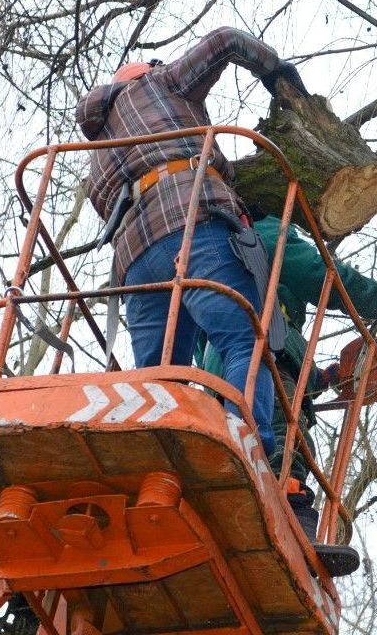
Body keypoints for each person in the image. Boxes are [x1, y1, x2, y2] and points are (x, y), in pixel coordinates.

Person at [76, 27, 310, 458]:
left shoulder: (100, 147)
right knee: (243, 340)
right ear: (145, 73)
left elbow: (101, 203)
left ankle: (161, 459)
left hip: (136, 264)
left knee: (161, 376)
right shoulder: (159, 83)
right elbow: (225, 41)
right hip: (193, 227)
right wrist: (274, 69)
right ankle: (246, 444)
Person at [195, 212, 377, 537]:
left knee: (241, 437)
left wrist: (318, 378)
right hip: (265, 351)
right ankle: (292, 511)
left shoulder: (203, 251)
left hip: (220, 372)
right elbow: (319, 273)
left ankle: (237, 506)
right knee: (281, 432)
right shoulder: (261, 227)